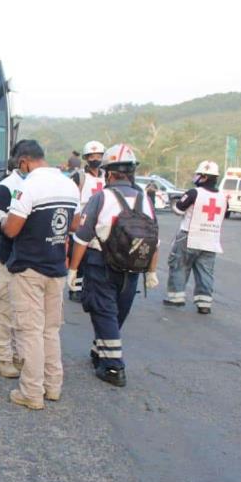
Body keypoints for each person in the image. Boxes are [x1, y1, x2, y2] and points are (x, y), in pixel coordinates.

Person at [69, 144, 160, 388]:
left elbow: (81, 237)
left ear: (109, 173)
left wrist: (73, 269)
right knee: (117, 312)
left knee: (103, 311)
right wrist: (151, 271)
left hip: (101, 264)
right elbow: (154, 241)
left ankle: (113, 368)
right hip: (133, 267)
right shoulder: (144, 199)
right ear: (132, 172)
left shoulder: (101, 197)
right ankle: (100, 351)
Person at [3, 140, 79, 410]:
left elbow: (11, 229)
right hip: (57, 267)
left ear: (24, 161)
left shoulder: (28, 187)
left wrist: (4, 220)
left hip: (29, 269)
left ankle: (31, 392)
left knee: (29, 332)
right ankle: (53, 386)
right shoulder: (70, 184)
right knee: (51, 330)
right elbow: (76, 224)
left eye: (18, 165)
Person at [164, 160, 226, 314]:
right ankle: (204, 303)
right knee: (205, 272)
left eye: (198, 175)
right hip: (211, 240)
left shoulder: (193, 193)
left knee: (179, 265)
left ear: (204, 177)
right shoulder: (223, 197)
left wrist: (173, 203)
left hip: (189, 236)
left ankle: (176, 298)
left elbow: (179, 210)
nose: (196, 177)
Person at [0, 142, 27, 374]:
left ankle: (19, 354)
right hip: (8, 258)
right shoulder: (5, 187)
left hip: (30, 261)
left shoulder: (34, 185)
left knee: (23, 312)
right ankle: (4, 358)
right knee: (4, 309)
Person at [68, 140, 106, 302]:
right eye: (92, 156)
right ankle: (75, 289)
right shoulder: (79, 176)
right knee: (79, 258)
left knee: (96, 259)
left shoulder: (107, 175)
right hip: (81, 222)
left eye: (98, 155)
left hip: (100, 223)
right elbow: (71, 197)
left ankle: (90, 289)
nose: (95, 158)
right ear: (86, 158)